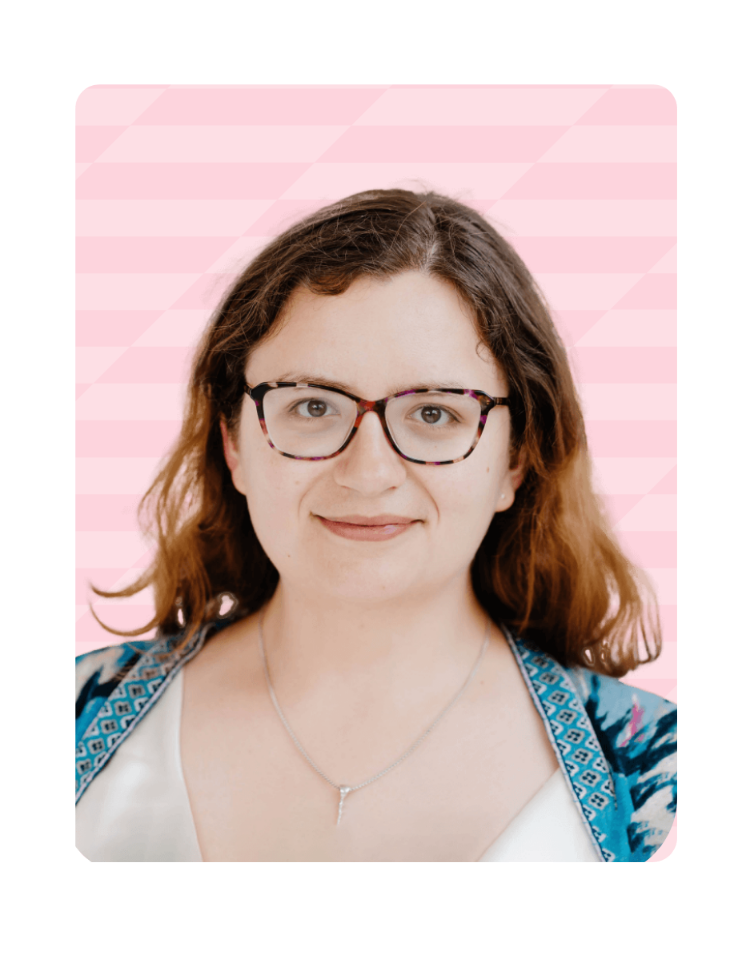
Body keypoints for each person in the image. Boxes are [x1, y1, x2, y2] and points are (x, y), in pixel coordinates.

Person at [75, 187, 677, 863]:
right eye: (311, 406)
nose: (368, 472)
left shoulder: (657, 777)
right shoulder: (83, 718)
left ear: (516, 459)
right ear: (233, 442)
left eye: (433, 413)